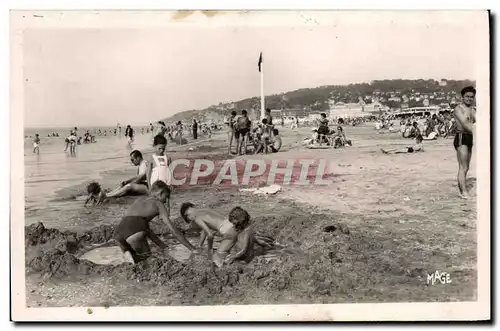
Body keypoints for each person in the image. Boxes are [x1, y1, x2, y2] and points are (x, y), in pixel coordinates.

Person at [114, 181, 198, 264]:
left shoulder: (140, 199)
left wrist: (163, 246)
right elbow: (173, 230)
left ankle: (128, 254)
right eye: (166, 197)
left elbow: (144, 229)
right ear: (161, 193)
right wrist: (192, 248)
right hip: (135, 230)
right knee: (147, 262)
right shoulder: (158, 204)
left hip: (118, 233)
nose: (166, 201)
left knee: (136, 263)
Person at [180, 202, 238, 267]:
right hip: (232, 225)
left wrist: (209, 249)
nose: (192, 221)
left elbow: (210, 235)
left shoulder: (196, 218)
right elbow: (204, 231)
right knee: (228, 251)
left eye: (190, 220)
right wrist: (200, 245)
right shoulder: (204, 210)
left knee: (217, 256)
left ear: (187, 215)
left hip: (227, 231)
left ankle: (228, 268)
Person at [453, 86, 476, 199]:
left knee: (467, 167)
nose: (469, 99)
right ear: (462, 97)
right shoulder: (459, 108)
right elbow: (465, 124)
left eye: (472, 97)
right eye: (467, 96)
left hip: (470, 137)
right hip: (461, 136)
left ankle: (462, 189)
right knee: (463, 166)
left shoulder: (473, 109)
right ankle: (464, 192)